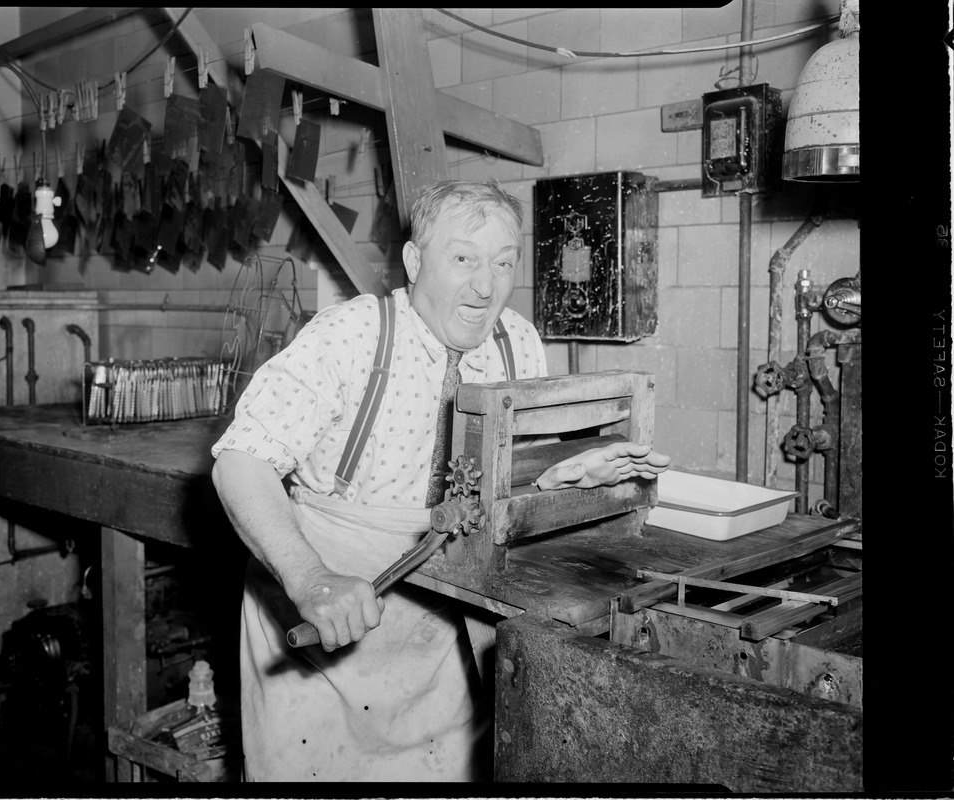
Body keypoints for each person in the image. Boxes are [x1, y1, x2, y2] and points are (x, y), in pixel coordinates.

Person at [210, 179, 670, 782]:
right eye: (463, 259)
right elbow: (240, 461)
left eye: (504, 263)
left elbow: (512, 487)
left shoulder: (517, 342)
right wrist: (310, 578)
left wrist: (574, 476)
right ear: (413, 260)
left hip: (442, 641)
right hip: (323, 632)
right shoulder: (348, 337)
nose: (486, 285)